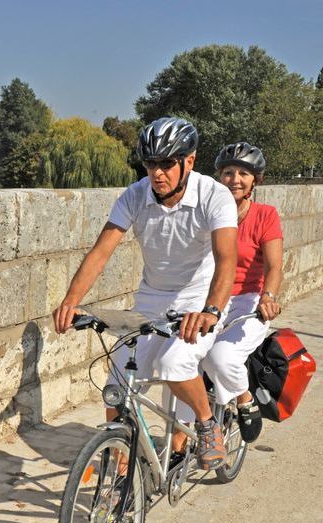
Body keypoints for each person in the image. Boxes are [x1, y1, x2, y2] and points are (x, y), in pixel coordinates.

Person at [52, 116, 238, 470]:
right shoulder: (135, 195)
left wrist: (211, 310)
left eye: (167, 163)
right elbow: (101, 252)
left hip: (199, 299)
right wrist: (70, 301)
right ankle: (121, 475)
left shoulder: (215, 196)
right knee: (117, 382)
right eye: (151, 164)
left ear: (190, 161)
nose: (157, 173)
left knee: (174, 363)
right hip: (151, 299)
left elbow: (227, 260)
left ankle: (207, 424)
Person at [199, 143, 282, 442]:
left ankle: (245, 399)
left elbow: (274, 266)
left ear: (255, 180)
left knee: (220, 357)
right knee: (184, 359)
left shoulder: (265, 215)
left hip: (249, 300)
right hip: (209, 298)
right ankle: (182, 444)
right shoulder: (206, 212)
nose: (235, 179)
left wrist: (268, 296)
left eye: (243, 173)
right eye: (228, 172)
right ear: (219, 177)